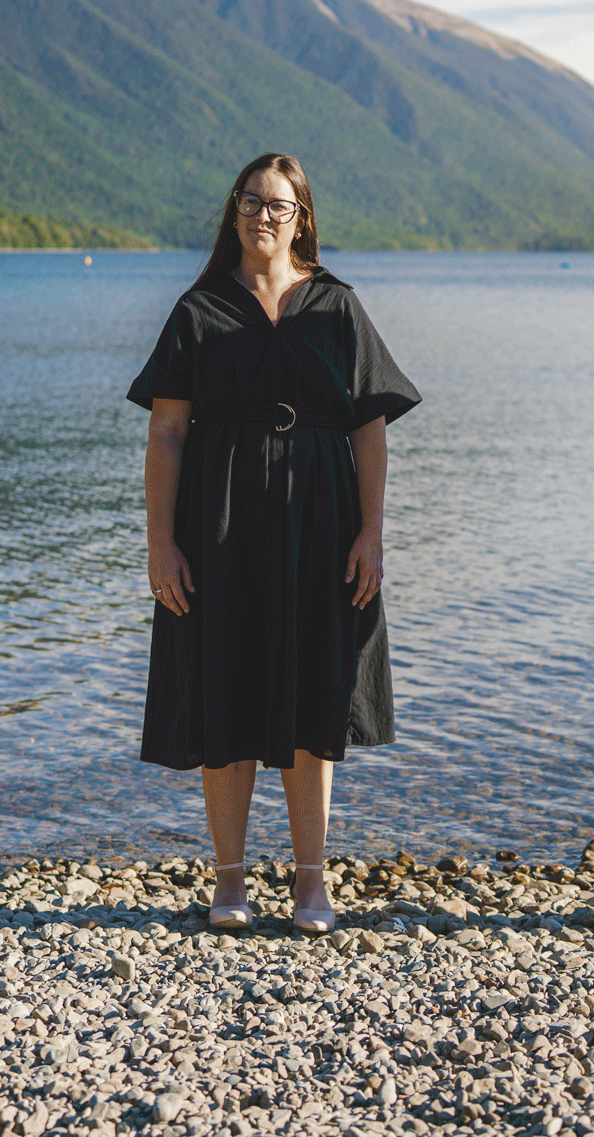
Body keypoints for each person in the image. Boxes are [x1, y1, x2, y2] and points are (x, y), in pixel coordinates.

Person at [128, 152, 420, 934]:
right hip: (216, 524)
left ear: (303, 219)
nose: (264, 216)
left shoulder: (336, 306)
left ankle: (310, 884)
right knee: (224, 687)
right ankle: (228, 882)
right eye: (252, 202)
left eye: (280, 206)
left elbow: (370, 428)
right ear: (233, 214)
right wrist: (161, 545)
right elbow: (165, 433)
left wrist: (370, 533)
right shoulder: (199, 310)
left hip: (319, 525)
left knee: (311, 696)